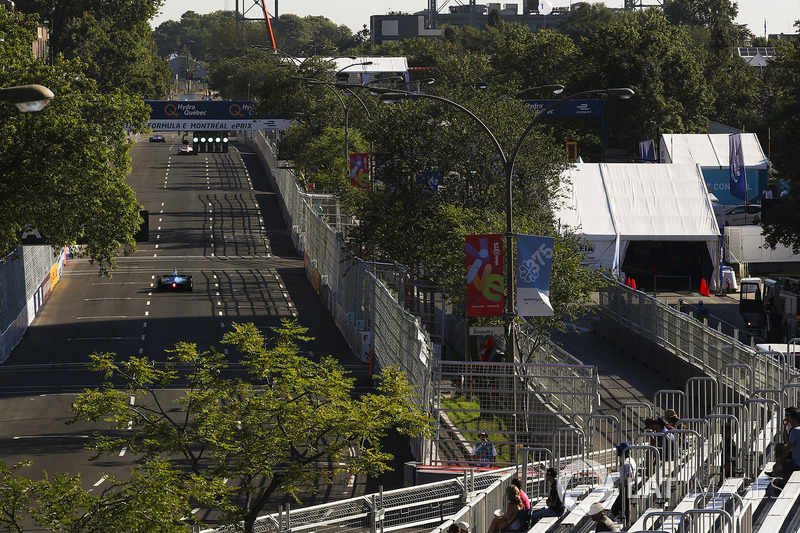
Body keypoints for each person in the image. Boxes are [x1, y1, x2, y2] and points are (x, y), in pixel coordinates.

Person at [769, 408, 800, 479]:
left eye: (790, 419)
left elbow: (788, 448)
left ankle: (784, 482)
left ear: (794, 419)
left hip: (797, 463)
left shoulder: (795, 430)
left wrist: (780, 461)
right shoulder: (794, 429)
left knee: (776, 468)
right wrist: (785, 427)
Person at [610, 442, 636, 521]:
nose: (617, 451)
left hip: (626, 488)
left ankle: (626, 523)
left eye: (619, 449)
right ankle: (624, 521)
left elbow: (629, 476)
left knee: (616, 509)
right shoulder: (631, 460)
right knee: (622, 508)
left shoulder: (626, 463)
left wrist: (622, 485)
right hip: (628, 487)